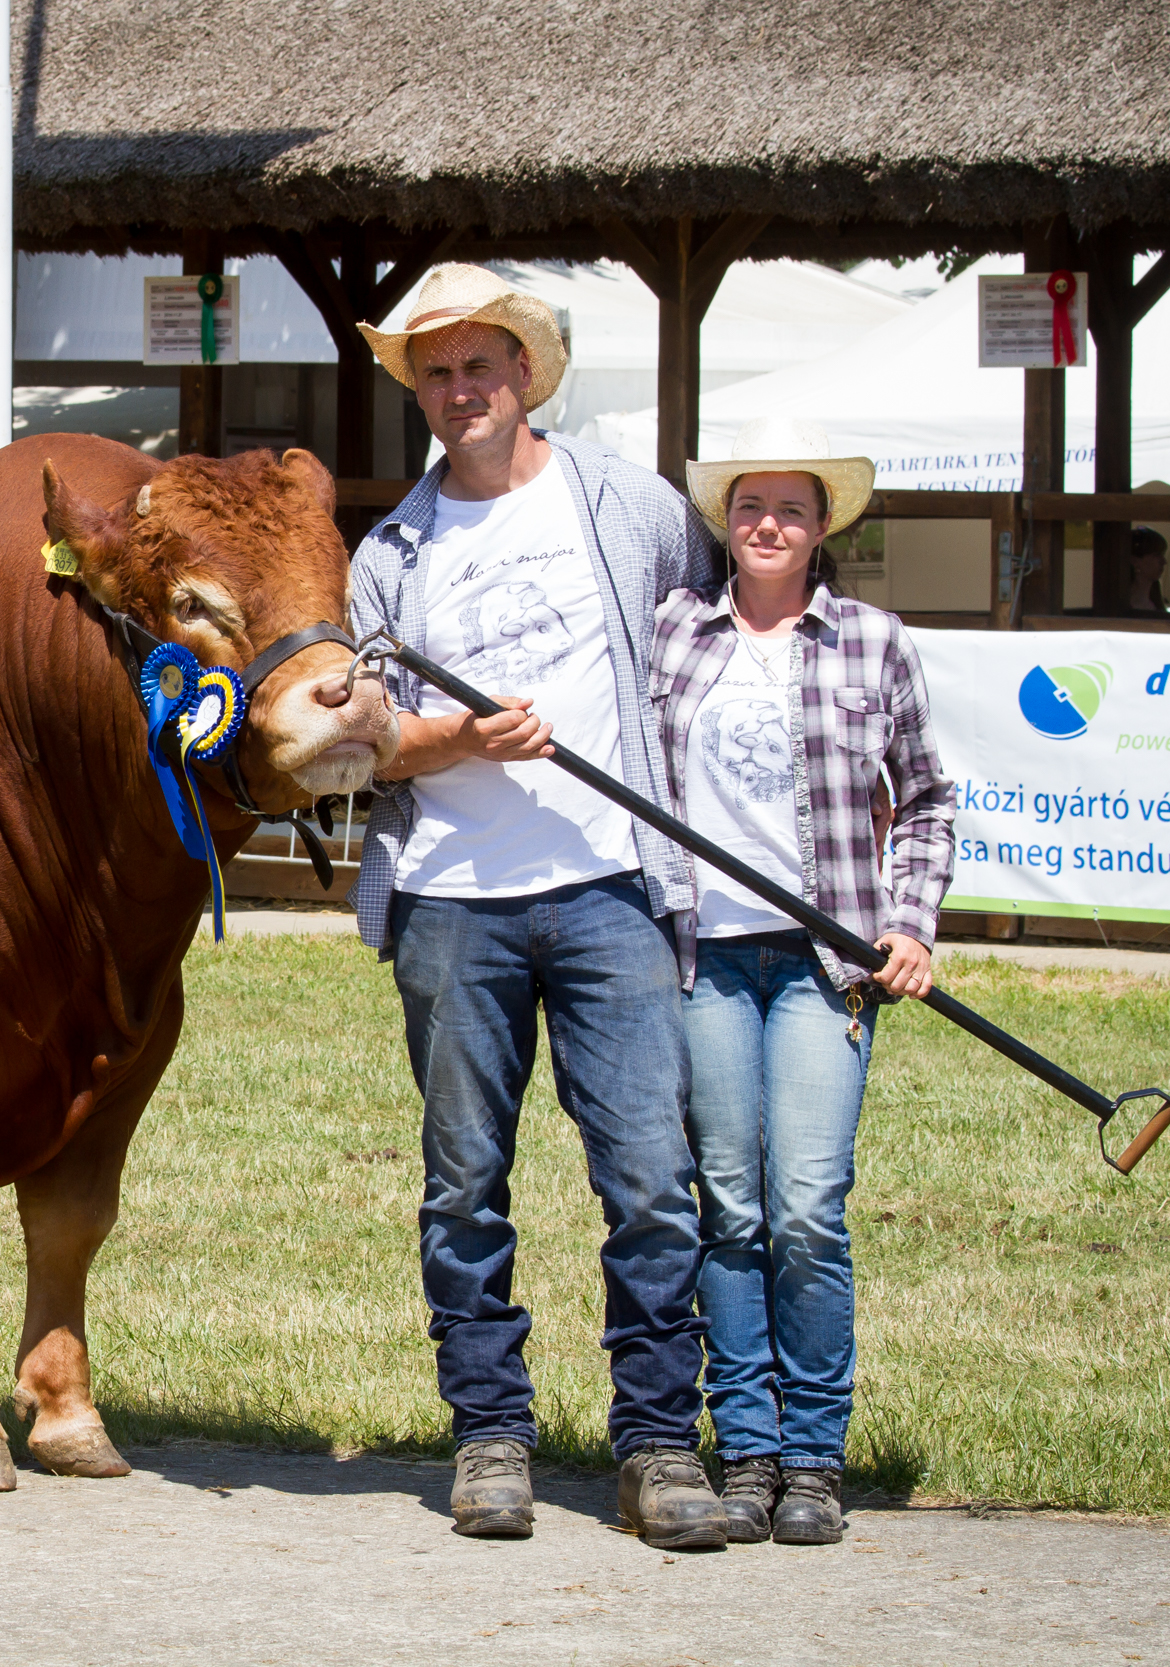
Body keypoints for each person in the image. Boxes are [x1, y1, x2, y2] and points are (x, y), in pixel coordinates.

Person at [347, 264, 730, 1549]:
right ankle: (490, 1435)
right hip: (453, 904)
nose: (460, 391)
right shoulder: (388, 555)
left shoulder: (630, 506)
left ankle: (658, 1444)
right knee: (464, 1182)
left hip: (615, 888)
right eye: (437, 373)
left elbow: (708, 634)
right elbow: (356, 744)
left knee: (652, 1180)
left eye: (480, 367)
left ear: (525, 377)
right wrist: (449, 734)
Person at [655, 417, 955, 1546]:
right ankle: (750, 1444)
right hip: (708, 953)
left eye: (788, 507)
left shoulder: (870, 642)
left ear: (822, 526)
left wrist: (908, 923)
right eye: (746, 506)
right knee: (727, 1205)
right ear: (722, 524)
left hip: (826, 964)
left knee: (807, 1209)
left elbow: (925, 796)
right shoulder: (673, 636)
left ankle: (817, 1454)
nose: (765, 524)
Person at [1126, 527, 1170, 616]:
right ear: (1135, 561)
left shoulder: (1155, 603)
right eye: (1156, 555)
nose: (1163, 561)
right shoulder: (1127, 606)